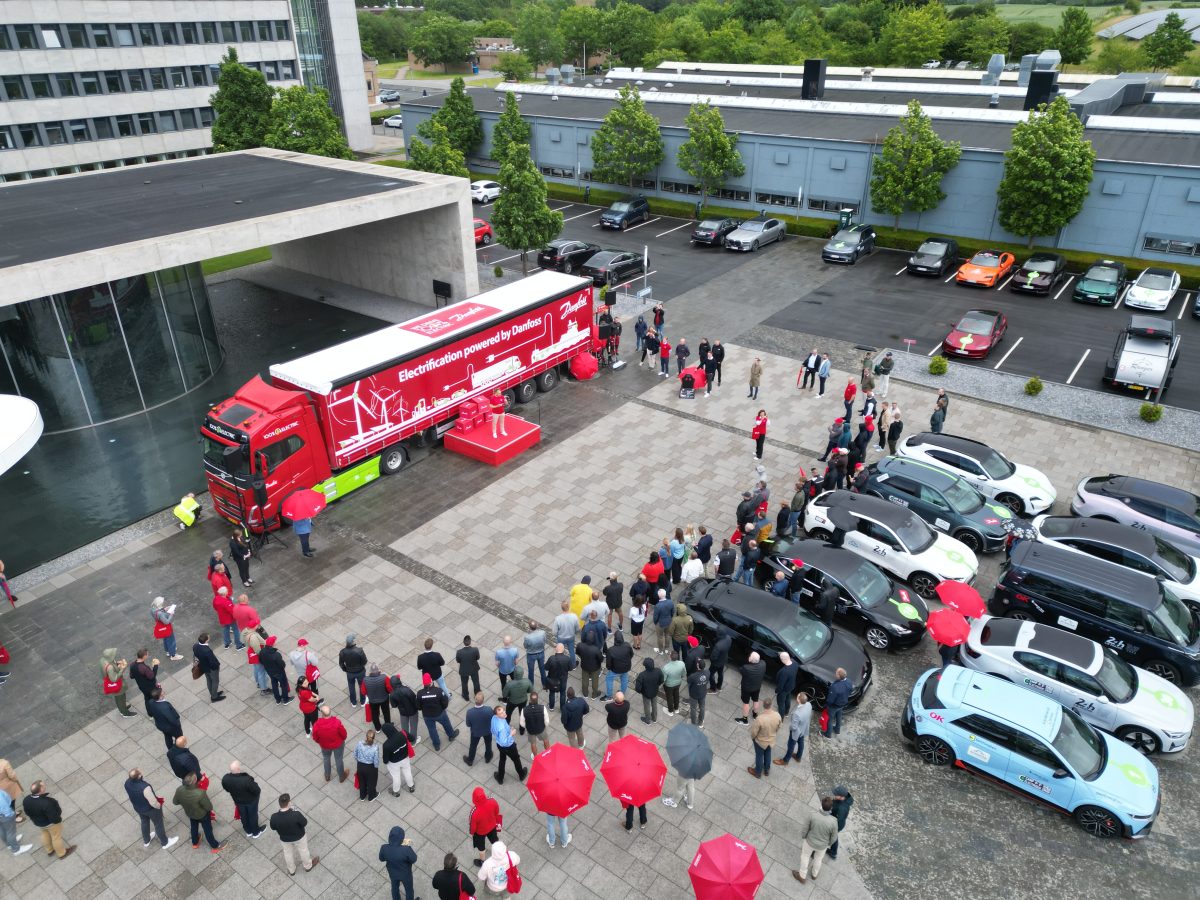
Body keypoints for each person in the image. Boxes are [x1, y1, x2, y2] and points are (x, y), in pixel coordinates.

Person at [124, 768, 177, 850]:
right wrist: (158, 805)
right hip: (150, 809)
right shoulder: (145, 788)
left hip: (138, 808)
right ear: (139, 776)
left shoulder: (127, 783)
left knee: (144, 821)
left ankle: (146, 840)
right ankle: (165, 842)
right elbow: (153, 802)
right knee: (158, 824)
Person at [793, 797, 839, 883]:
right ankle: (814, 874)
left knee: (805, 856)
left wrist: (804, 836)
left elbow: (805, 828)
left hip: (809, 842)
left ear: (821, 804)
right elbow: (834, 837)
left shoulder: (812, 815)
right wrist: (828, 844)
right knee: (818, 859)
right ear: (831, 808)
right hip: (822, 846)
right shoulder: (833, 821)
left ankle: (802, 876)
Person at [270, 793, 318, 874]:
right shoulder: (296, 814)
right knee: (303, 851)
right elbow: (304, 823)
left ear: (279, 804)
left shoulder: (274, 817)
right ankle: (308, 866)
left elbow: (273, 827)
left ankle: (291, 870)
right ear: (289, 803)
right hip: (299, 837)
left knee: (287, 853)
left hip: (284, 839)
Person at [172, 773, 220, 853]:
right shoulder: (200, 793)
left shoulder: (179, 789)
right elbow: (209, 807)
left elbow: (175, 802)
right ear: (194, 781)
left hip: (190, 813)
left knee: (194, 827)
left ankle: (195, 842)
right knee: (207, 830)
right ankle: (215, 846)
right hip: (203, 815)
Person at [221, 761, 265, 838]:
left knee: (243, 816)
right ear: (238, 769)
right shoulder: (246, 780)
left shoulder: (225, 778)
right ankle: (256, 832)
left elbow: (227, 789)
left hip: (238, 801)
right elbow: (257, 790)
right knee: (252, 816)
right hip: (251, 801)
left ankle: (248, 831)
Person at [417, 673, 458, 749]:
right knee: (446, 724)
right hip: (439, 713)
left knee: (432, 730)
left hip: (427, 716)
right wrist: (442, 709)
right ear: (431, 681)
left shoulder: (419, 693)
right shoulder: (439, 691)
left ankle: (436, 745)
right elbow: (445, 703)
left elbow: (419, 707)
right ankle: (451, 735)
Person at [312, 706, 349, 783]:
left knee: (326, 758)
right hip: (338, 745)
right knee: (338, 759)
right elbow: (344, 734)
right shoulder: (337, 723)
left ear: (322, 713)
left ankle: (327, 775)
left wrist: (320, 742)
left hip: (325, 746)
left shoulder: (317, 725)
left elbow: (315, 737)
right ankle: (341, 776)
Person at [748, 697, 782, 778]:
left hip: (760, 742)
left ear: (763, 705)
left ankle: (758, 772)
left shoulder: (760, 718)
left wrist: (753, 738)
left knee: (759, 756)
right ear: (771, 705)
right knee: (768, 753)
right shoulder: (777, 715)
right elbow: (779, 727)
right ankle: (766, 770)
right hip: (771, 740)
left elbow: (754, 732)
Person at [491, 706, 526, 784]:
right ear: (497, 715)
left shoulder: (494, 718)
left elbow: (492, 730)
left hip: (499, 745)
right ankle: (521, 774)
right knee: (516, 759)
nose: (504, 713)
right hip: (509, 747)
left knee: (502, 759)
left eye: (503, 711)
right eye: (501, 713)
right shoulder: (502, 728)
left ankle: (500, 778)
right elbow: (504, 742)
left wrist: (508, 729)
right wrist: (511, 734)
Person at [777, 692, 813, 766]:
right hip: (803, 729)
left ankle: (785, 761)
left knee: (791, 746)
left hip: (796, 732)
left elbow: (793, 727)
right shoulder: (809, 704)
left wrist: (790, 728)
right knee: (801, 742)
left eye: (797, 697)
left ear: (798, 700)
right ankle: (798, 757)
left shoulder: (797, 714)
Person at [469, 787, 502, 866]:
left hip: (480, 832)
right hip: (492, 826)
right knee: (495, 840)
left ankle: (482, 861)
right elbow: (497, 811)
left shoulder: (474, 812)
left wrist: (472, 833)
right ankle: (499, 854)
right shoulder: (492, 800)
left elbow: (472, 826)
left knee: (481, 847)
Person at [100, 648, 137, 719]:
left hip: (110, 683)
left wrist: (116, 663)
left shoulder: (102, 660)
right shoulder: (110, 668)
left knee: (118, 698)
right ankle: (125, 712)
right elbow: (114, 679)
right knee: (120, 698)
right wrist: (122, 668)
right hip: (116, 685)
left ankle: (122, 708)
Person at [380, 723, 415, 795]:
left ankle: (395, 791)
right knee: (407, 772)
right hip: (405, 758)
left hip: (394, 763)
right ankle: (411, 786)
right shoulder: (403, 733)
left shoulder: (386, 745)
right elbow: (412, 738)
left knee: (396, 776)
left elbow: (385, 760)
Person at [463, 691, 495, 766]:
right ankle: (488, 757)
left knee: (473, 746)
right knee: (488, 744)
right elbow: (493, 719)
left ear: (474, 699)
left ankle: (470, 760)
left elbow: (468, 724)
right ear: (483, 700)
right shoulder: (489, 709)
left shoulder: (469, 712)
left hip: (475, 732)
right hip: (487, 731)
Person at [389, 673, 421, 743]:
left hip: (403, 712)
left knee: (404, 727)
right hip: (413, 711)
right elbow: (414, 699)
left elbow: (394, 705)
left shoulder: (392, 694)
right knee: (413, 727)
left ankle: (405, 740)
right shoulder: (407, 689)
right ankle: (413, 742)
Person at [193, 632, 223, 703]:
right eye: (209, 637)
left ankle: (213, 693)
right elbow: (212, 662)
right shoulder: (207, 651)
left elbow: (195, 655)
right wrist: (217, 666)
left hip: (204, 667)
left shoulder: (195, 646)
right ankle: (214, 697)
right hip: (211, 669)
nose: (210, 638)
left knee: (209, 680)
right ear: (206, 640)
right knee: (215, 681)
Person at [149, 687, 183, 752]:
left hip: (161, 725)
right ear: (160, 696)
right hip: (171, 727)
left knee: (167, 737)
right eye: (162, 692)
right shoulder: (165, 707)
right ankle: (179, 750)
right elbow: (172, 719)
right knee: (179, 737)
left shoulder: (151, 702)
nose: (164, 692)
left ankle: (170, 749)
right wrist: (178, 724)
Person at [339, 634, 368, 707]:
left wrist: (345, 669)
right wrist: (361, 666)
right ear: (353, 642)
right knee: (362, 686)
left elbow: (341, 663)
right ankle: (363, 701)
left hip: (350, 673)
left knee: (351, 686)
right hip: (360, 672)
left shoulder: (342, 652)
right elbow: (364, 661)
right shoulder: (359, 651)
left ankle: (353, 702)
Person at [260, 637, 292, 704]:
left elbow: (261, 661)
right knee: (284, 684)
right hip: (279, 672)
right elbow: (282, 664)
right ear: (272, 644)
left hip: (270, 672)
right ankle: (285, 699)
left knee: (274, 684)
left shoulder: (262, 651)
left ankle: (278, 700)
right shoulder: (276, 654)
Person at [737, 652, 766, 724]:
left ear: (750, 660)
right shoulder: (763, 663)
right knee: (756, 700)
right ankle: (755, 715)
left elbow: (740, 670)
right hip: (757, 686)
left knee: (746, 703)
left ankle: (745, 720)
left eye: (750, 656)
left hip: (747, 688)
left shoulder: (746, 668)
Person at [603, 630, 634, 699]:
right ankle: (621, 694)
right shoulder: (627, 645)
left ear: (615, 639)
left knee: (609, 679)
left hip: (615, 669)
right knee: (624, 679)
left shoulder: (611, 650)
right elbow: (631, 655)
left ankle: (609, 696)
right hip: (626, 667)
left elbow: (608, 663)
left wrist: (609, 668)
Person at [823, 668, 853, 738]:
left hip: (833, 706)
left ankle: (828, 735)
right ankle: (837, 730)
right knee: (839, 717)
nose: (835, 674)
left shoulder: (835, 687)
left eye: (836, 673)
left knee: (830, 720)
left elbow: (830, 700)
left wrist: (827, 705)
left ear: (839, 676)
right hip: (842, 704)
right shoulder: (849, 681)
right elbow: (850, 691)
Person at [501, 666, 531, 734]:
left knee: (508, 715)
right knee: (522, 715)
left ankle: (506, 728)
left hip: (512, 701)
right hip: (523, 700)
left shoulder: (509, 684)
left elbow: (504, 694)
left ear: (514, 674)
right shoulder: (527, 681)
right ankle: (522, 730)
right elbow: (530, 690)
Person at [151, 596, 182, 661]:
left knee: (165, 639)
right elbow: (167, 622)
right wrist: (171, 614)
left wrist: (164, 609)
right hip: (166, 628)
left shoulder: (153, 609)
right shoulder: (160, 614)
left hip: (161, 628)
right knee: (171, 641)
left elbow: (158, 614)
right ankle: (173, 655)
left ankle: (168, 651)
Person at [828, 785, 855, 859]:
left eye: (836, 795)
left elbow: (838, 819)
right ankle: (833, 852)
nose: (834, 795)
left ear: (841, 797)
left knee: (833, 836)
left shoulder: (842, 808)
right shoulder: (843, 799)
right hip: (836, 820)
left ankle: (833, 852)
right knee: (834, 836)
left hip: (837, 824)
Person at [634, 657, 663, 725]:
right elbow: (661, 680)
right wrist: (657, 685)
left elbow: (637, 688)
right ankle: (654, 718)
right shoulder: (658, 671)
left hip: (646, 693)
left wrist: (641, 691)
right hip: (655, 691)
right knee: (654, 705)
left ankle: (647, 720)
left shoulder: (642, 675)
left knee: (647, 706)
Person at [355, 729, 381, 802]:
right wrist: (375, 768)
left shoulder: (359, 743)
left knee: (362, 781)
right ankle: (371, 797)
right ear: (374, 738)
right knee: (371, 782)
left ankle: (362, 796)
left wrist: (359, 761)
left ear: (366, 736)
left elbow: (355, 754)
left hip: (360, 766)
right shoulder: (375, 748)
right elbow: (376, 761)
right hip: (370, 768)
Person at [577, 630, 604, 700]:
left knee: (584, 680)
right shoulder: (596, 649)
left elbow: (578, 653)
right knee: (595, 681)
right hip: (595, 668)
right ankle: (594, 695)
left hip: (584, 666)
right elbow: (601, 659)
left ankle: (585, 693)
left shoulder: (580, 645)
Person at [364, 664, 393, 729]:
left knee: (374, 714)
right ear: (378, 671)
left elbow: (363, 691)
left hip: (372, 701)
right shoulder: (384, 677)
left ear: (370, 672)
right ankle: (388, 726)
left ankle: (377, 728)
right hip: (384, 699)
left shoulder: (365, 680)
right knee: (386, 712)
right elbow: (390, 688)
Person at [553, 600, 580, 668]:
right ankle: (573, 665)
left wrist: (557, 636)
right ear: (569, 607)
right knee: (571, 651)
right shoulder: (574, 617)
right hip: (571, 636)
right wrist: (575, 633)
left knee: (559, 651)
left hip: (561, 637)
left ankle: (558, 664)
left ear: (562, 608)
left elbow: (554, 632)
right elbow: (577, 628)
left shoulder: (558, 619)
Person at [545, 643, 571, 711]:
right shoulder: (567, 659)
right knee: (563, 693)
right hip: (563, 680)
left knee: (552, 693)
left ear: (556, 649)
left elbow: (546, 668)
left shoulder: (551, 658)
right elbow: (570, 668)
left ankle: (551, 707)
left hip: (552, 680)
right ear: (563, 650)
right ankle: (562, 709)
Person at [522, 622, 548, 690]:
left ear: (529, 627)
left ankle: (531, 686)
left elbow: (525, 646)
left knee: (531, 671)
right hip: (541, 653)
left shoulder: (527, 637)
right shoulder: (542, 633)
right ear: (537, 626)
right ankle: (544, 685)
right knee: (542, 669)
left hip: (531, 655)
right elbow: (545, 641)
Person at [456, 635, 482, 701]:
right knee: (476, 682)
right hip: (474, 668)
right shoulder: (475, 650)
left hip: (464, 670)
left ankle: (466, 696)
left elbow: (458, 661)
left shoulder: (459, 652)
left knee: (464, 683)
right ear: (470, 642)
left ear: (463, 642)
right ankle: (477, 694)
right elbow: (477, 658)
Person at [525, 691, 550, 758]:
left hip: (531, 730)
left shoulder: (524, 710)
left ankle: (535, 756)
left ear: (530, 699)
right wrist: (544, 726)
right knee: (545, 740)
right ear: (537, 699)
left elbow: (522, 723)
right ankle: (548, 753)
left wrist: (527, 726)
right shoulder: (543, 708)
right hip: (541, 729)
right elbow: (547, 721)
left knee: (533, 744)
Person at [661, 651, 685, 717]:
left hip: (669, 685)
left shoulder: (666, 668)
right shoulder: (682, 664)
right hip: (678, 683)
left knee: (669, 697)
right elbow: (683, 674)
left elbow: (664, 679)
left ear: (670, 657)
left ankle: (670, 711)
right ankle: (676, 709)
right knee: (676, 694)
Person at [775, 652, 800, 717]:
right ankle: (786, 712)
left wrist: (777, 691)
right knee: (788, 699)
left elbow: (781, 685)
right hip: (791, 686)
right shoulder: (795, 663)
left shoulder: (784, 671)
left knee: (781, 703)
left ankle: (781, 717)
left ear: (782, 660)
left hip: (784, 690)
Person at [686, 660, 709, 727]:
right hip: (703, 693)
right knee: (702, 707)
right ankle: (701, 722)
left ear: (697, 666)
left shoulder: (693, 676)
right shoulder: (707, 672)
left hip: (694, 694)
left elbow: (688, 681)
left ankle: (693, 723)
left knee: (693, 708)